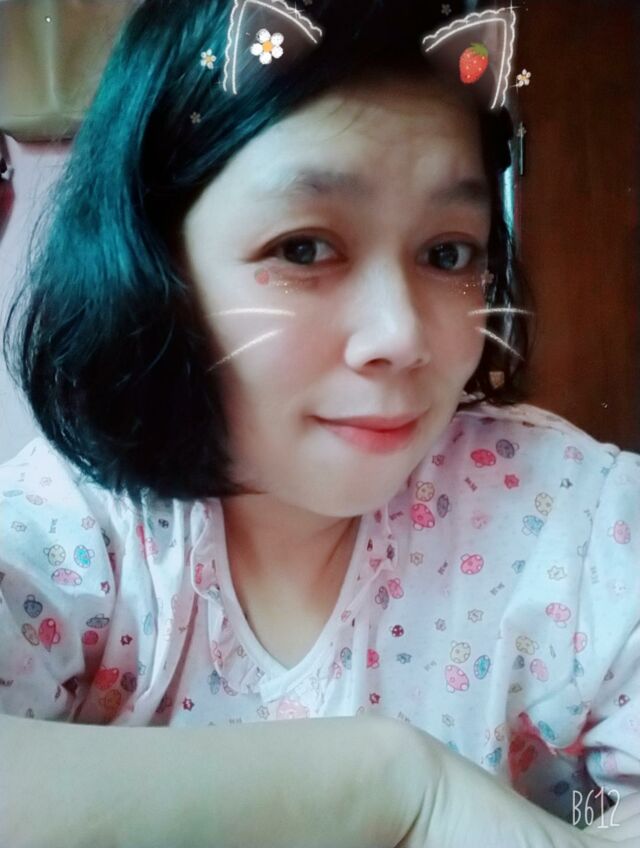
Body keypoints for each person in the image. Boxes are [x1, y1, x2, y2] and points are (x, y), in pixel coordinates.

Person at [1, 0, 639, 846]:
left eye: (448, 253)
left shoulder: (578, 520)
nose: (401, 336)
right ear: (156, 268)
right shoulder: (78, 533)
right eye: (303, 248)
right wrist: (397, 789)